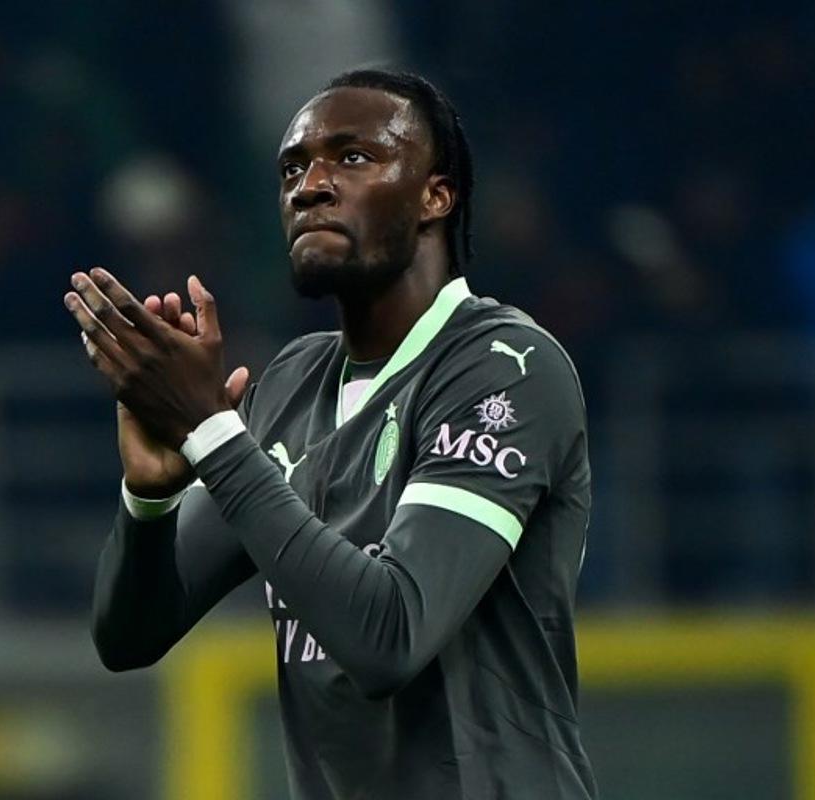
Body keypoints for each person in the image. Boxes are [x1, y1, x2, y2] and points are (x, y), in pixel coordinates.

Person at [63, 69, 597, 800]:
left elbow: (388, 637)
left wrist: (213, 432)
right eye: (293, 166)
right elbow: (127, 637)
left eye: (352, 158)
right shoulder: (289, 388)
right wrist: (149, 497)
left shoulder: (504, 367)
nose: (309, 185)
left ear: (436, 196)